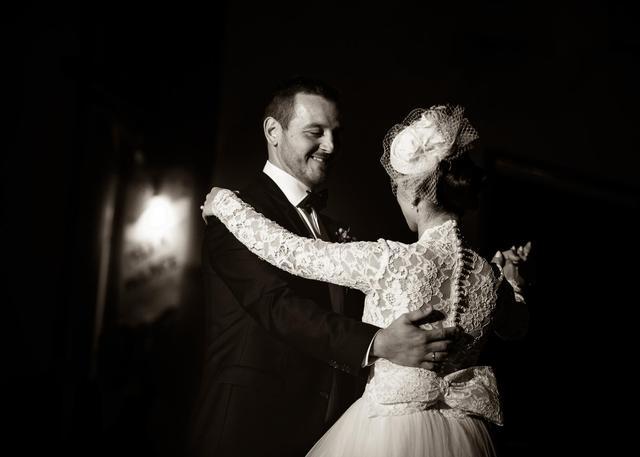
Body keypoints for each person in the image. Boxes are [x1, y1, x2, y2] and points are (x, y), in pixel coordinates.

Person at [202, 104, 530, 457]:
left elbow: (290, 251)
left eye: (397, 188)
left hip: (387, 431)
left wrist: (225, 204)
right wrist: (513, 282)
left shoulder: (390, 260)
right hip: (464, 435)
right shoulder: (490, 277)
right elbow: (517, 326)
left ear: (416, 193)